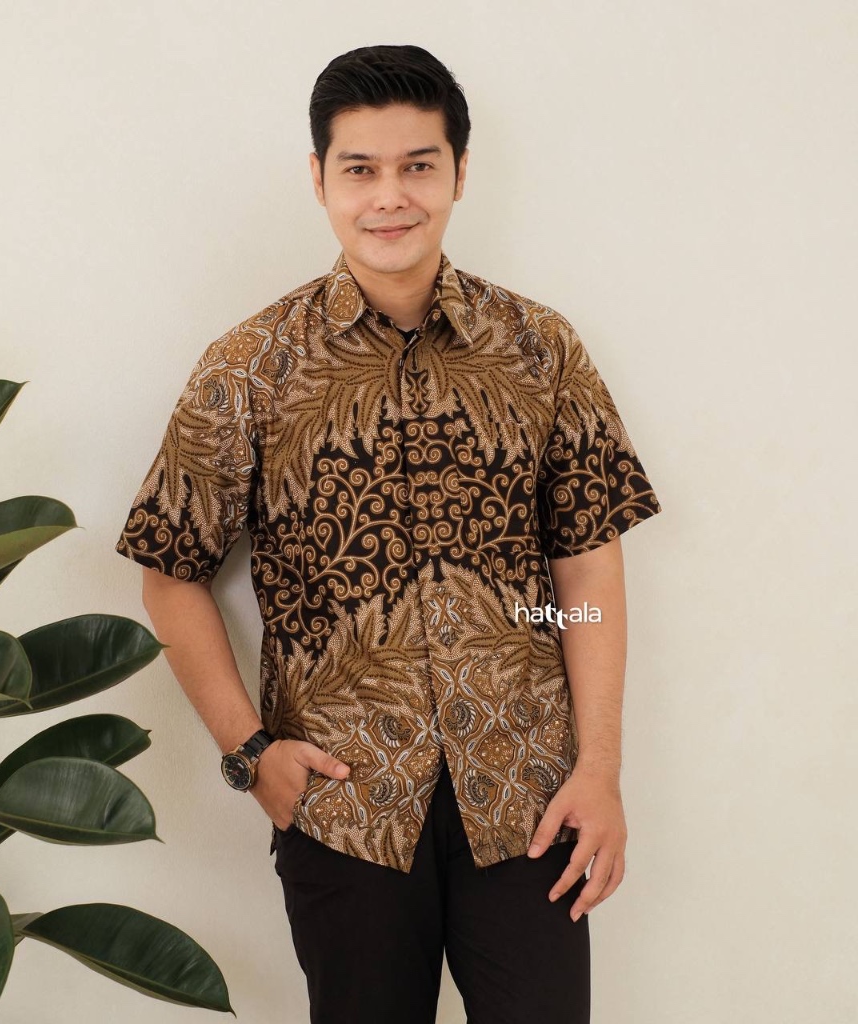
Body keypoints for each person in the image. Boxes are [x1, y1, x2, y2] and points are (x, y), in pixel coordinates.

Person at [114, 43, 662, 1024]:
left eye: (418, 165)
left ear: (459, 171)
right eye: (360, 168)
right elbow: (170, 571)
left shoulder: (539, 348)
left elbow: (584, 567)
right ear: (319, 177)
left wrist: (600, 769)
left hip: (531, 802)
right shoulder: (249, 368)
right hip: (346, 806)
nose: (390, 196)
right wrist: (250, 754)